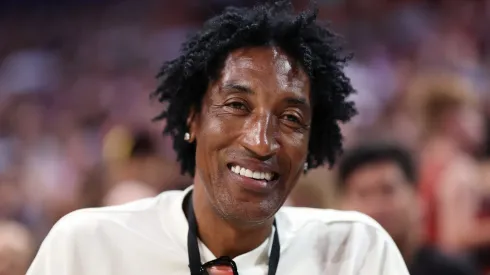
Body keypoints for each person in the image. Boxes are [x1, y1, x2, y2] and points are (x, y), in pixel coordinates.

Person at [27, 2, 409, 274]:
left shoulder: (358, 253)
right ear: (193, 118)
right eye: (237, 105)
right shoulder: (87, 247)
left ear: (310, 145)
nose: (261, 142)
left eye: (291, 118)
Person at [337, 141, 480, 275]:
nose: (376, 206)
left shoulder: (453, 270)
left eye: (387, 191)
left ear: (416, 196)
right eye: (364, 194)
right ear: (342, 206)